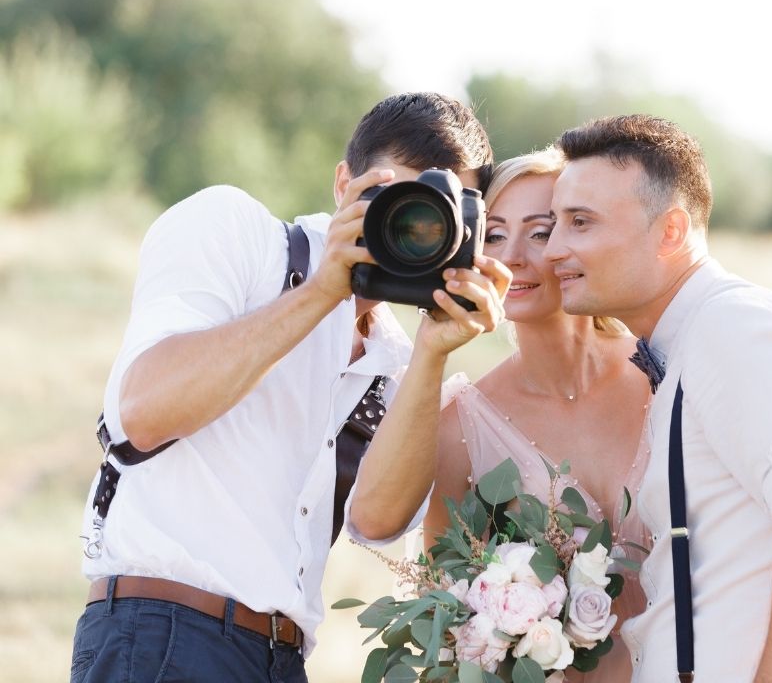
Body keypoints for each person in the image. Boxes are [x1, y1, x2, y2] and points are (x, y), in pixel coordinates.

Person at [70, 92, 509, 683]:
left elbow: (376, 524)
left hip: (280, 659)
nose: (409, 228)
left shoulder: (398, 361)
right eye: (396, 200)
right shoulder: (237, 231)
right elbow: (143, 410)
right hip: (162, 632)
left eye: (433, 217)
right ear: (342, 183)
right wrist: (323, 292)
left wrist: (435, 348)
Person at [544, 115, 772, 682]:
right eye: (555, 223)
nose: (554, 249)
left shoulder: (736, 328)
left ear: (671, 231)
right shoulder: (697, 340)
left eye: (580, 222)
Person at [414, 148, 654, 681]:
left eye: (541, 232)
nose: (513, 257)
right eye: (494, 235)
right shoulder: (462, 428)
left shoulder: (666, 377)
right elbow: (443, 619)